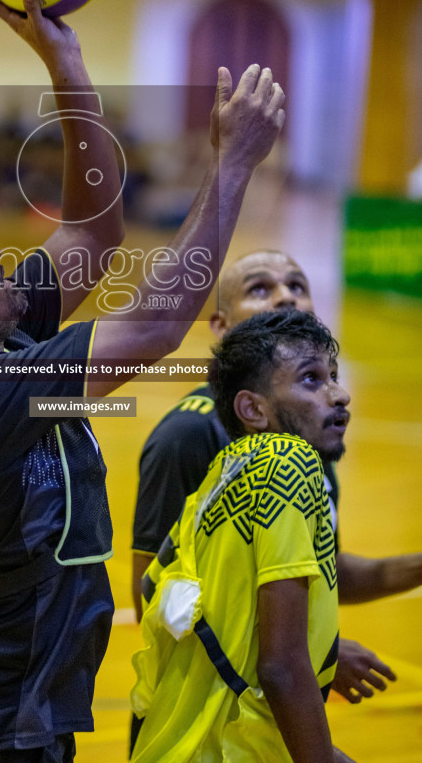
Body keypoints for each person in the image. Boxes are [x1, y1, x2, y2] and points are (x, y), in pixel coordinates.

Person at [0, 0, 285, 762]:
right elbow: (150, 324)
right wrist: (234, 165)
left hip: (14, 706)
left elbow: (91, 231)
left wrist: (65, 63)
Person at [132, 248, 422, 703]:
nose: (285, 297)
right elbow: (152, 594)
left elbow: (325, 571)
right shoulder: (187, 435)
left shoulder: (308, 427)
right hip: (197, 712)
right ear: (221, 325)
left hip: (267, 712)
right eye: (261, 288)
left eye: (297, 286)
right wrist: (308, 654)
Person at [130, 310, 355, 763]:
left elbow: (154, 586)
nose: (340, 395)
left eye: (333, 376)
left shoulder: (221, 475)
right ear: (253, 409)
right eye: (311, 380)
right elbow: (280, 666)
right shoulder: (288, 463)